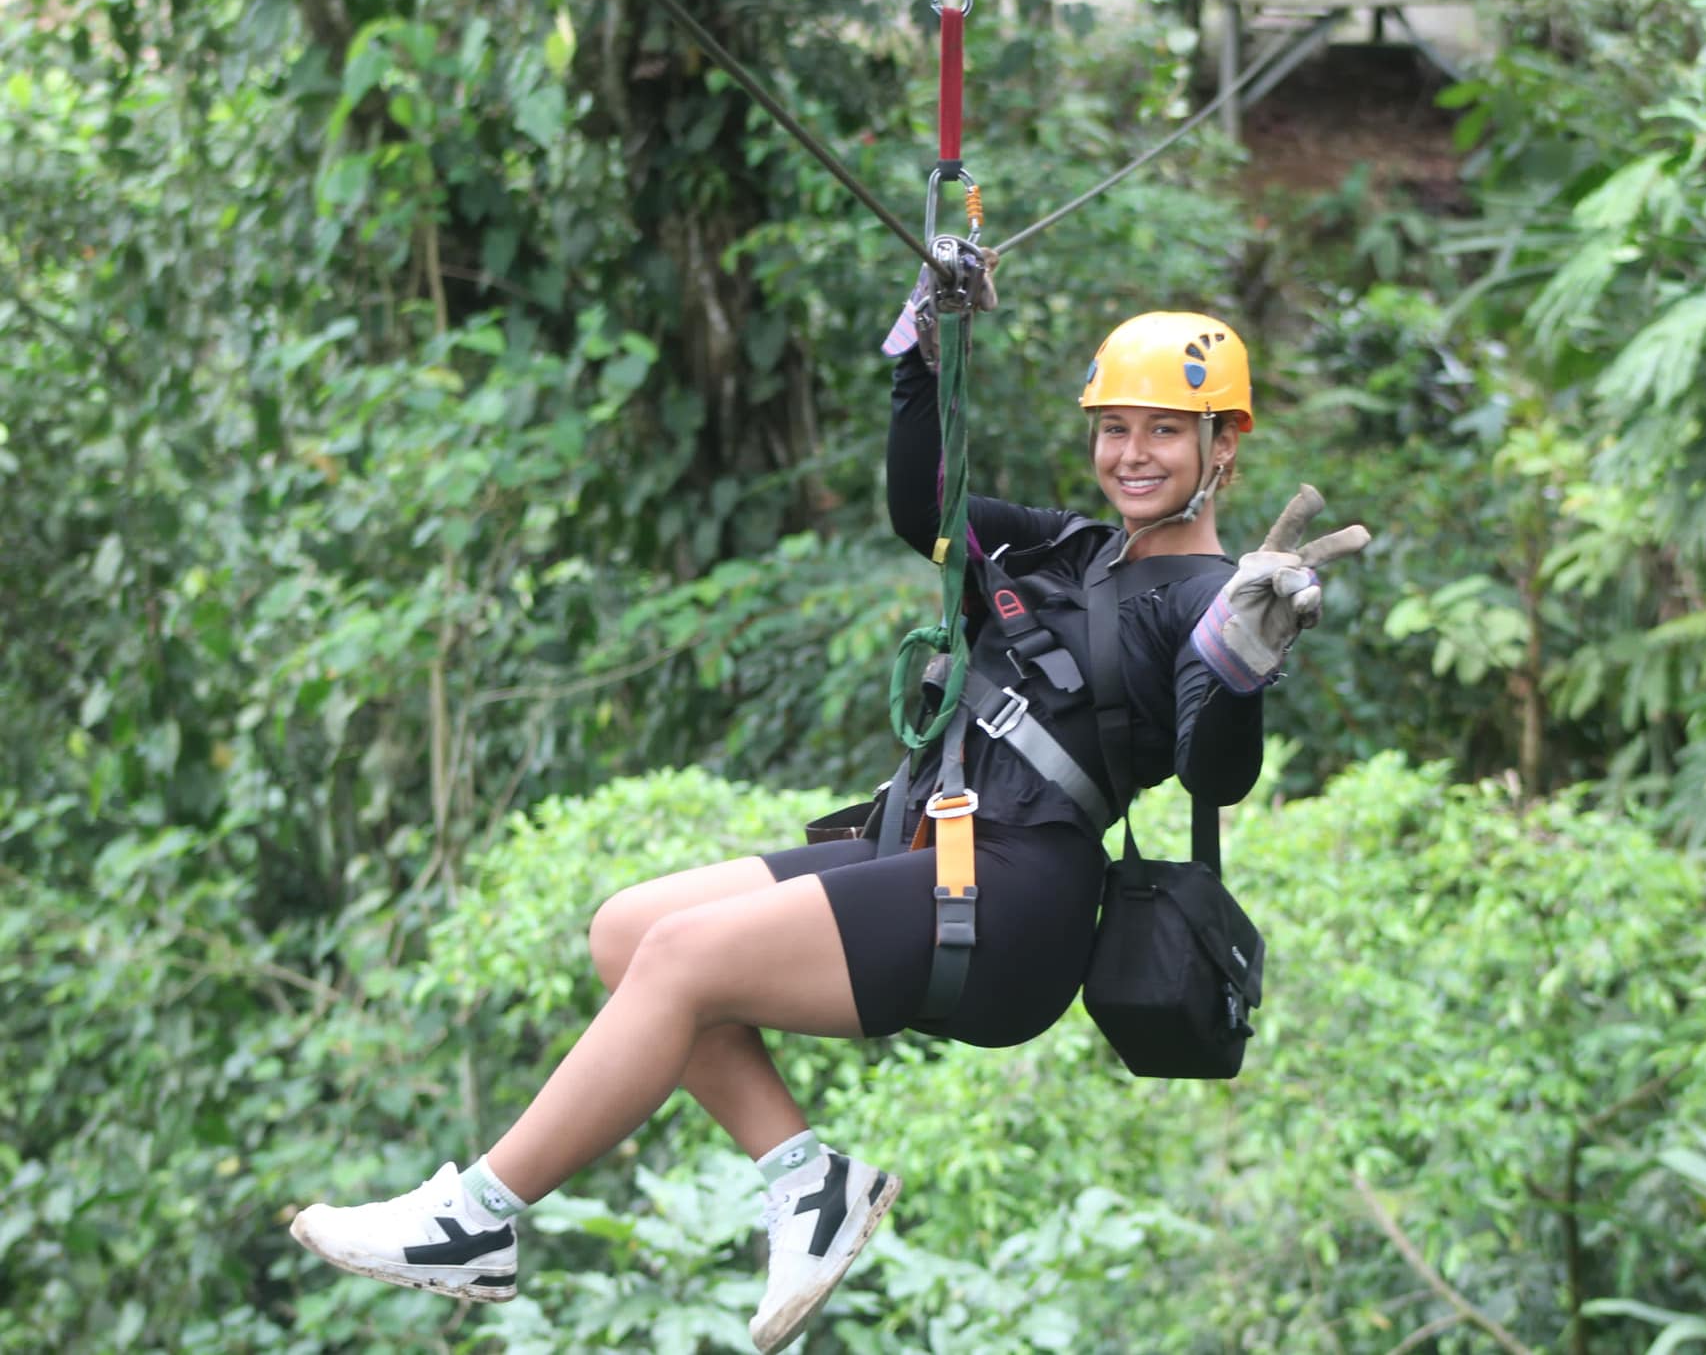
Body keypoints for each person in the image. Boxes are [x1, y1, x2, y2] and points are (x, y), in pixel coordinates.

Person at [286, 279, 1368, 1354]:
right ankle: (810, 1186)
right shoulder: (1072, 547)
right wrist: (922, 352)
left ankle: (477, 1216)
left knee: (677, 958)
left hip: (1019, 895)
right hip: (931, 844)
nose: (1132, 453)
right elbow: (923, 512)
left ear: (1221, 448)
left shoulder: (1205, 595)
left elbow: (1212, 778)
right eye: (1114, 428)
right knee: (625, 930)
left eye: (1165, 433)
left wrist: (1236, 662)